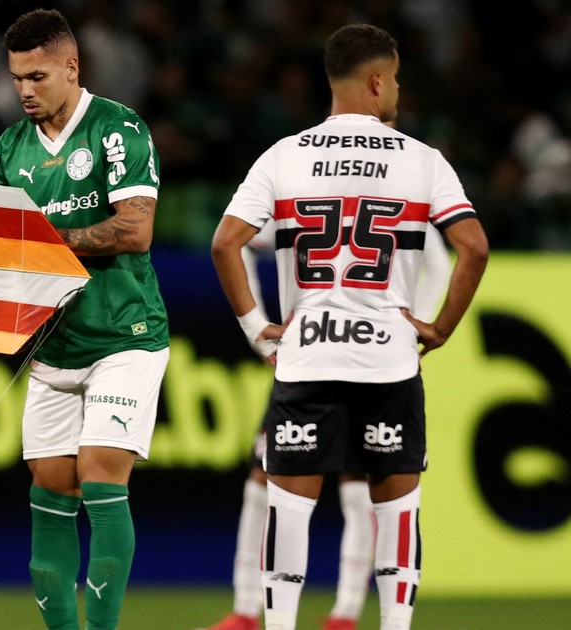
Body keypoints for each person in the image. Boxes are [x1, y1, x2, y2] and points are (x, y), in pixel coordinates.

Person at [210, 23, 488, 630]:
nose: (399, 91)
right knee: (395, 511)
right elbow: (474, 247)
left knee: (288, 510)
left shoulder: (283, 155)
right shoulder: (423, 160)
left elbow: (226, 243)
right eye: (397, 80)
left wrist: (257, 327)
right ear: (378, 81)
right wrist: (440, 327)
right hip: (388, 362)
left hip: (308, 357)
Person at [0, 9, 168, 630]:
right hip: (53, 348)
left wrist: (40, 243)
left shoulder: (117, 128)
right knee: (50, 491)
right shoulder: (10, 148)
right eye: (17, 78)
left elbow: (134, 231)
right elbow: (3, 262)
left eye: (37, 76)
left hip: (125, 336)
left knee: (100, 479)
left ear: (71, 67)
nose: (24, 90)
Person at [203, 223, 451, 630]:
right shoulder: (401, 194)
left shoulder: (302, 191)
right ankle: (272, 611)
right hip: (362, 359)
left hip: (322, 357)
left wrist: (256, 324)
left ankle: (327, 613)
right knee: (294, 481)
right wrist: (413, 327)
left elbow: (231, 242)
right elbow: (447, 257)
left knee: (326, 486)